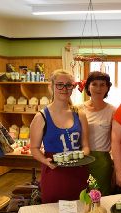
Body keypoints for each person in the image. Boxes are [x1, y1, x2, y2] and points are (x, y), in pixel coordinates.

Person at [30, 69, 91, 203]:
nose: (64, 88)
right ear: (51, 86)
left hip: (77, 171)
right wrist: (45, 160)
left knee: (80, 211)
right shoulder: (41, 117)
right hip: (54, 171)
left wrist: (81, 157)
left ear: (73, 87)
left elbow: (86, 145)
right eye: (59, 84)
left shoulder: (79, 114)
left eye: (68, 85)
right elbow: (34, 148)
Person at [80, 71, 115, 196]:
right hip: (81, 160)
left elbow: (115, 140)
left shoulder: (112, 111)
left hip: (102, 162)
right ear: (88, 87)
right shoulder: (78, 109)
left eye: (102, 85)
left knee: (101, 197)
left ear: (107, 88)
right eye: (94, 84)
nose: (98, 88)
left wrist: (115, 165)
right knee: (81, 195)